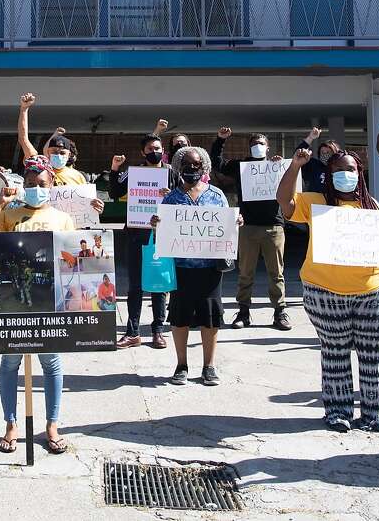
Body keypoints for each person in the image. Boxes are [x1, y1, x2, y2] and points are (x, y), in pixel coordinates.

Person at [277, 147, 379, 433]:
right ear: (328, 176)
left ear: (360, 173)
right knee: (335, 354)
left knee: (374, 356)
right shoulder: (316, 202)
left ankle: (373, 413)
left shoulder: (372, 206)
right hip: (325, 292)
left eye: (350, 169)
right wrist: (295, 166)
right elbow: (284, 201)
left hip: (373, 291)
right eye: (338, 170)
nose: (345, 175)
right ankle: (338, 412)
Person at [0, 155, 94, 455]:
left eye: (41, 184)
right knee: (10, 362)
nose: (35, 189)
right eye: (30, 184)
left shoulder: (63, 218)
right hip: (16, 300)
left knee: (51, 362)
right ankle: (11, 424)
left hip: (49, 301)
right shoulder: (11, 213)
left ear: (51, 184)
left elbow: (73, 259)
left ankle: (52, 425)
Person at [150, 146, 243, 388]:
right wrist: (157, 224)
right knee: (180, 317)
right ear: (179, 167)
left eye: (197, 164)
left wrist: (236, 222)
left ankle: (209, 366)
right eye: (187, 164)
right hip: (181, 268)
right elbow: (163, 233)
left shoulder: (216, 195)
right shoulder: (171, 198)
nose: (192, 168)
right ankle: (181, 365)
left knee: (210, 318)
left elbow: (226, 225)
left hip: (210, 268)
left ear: (204, 167)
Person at [210, 127, 291, 332]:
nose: (257, 146)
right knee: (245, 273)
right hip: (247, 226)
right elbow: (218, 164)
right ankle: (243, 312)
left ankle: (280, 312)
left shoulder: (276, 166)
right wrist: (220, 140)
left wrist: (282, 165)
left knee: (277, 273)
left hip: (274, 226)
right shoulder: (242, 167)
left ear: (268, 147)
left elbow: (294, 175)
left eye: (261, 144)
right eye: (254, 144)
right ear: (249, 148)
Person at [109, 134, 179, 349]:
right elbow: (114, 192)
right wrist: (115, 169)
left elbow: (184, 200)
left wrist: (171, 195)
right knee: (135, 286)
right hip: (136, 234)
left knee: (159, 284)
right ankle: (133, 333)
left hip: (161, 235)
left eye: (157, 148)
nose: (154, 152)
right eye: (149, 149)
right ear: (143, 152)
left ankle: (158, 331)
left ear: (163, 150)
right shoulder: (133, 172)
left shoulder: (172, 173)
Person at [17, 93, 86, 185]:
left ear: (69, 154)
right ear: (48, 153)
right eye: (54, 152)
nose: (58, 156)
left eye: (62, 153)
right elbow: (23, 139)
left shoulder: (77, 176)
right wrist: (24, 109)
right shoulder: (38, 167)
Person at [295, 126, 334, 192]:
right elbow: (298, 155)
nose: (325, 155)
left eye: (328, 152)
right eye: (322, 152)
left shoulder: (340, 167)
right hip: (314, 198)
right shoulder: (314, 165)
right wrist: (310, 138)